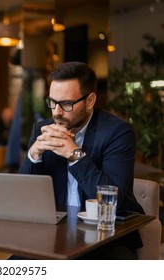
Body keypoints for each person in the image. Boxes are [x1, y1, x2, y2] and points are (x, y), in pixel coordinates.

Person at [19, 61, 144, 259]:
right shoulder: (42, 129)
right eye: (52, 102)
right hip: (55, 231)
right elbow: (24, 195)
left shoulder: (117, 133)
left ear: (90, 101)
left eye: (66, 104)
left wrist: (74, 154)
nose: (56, 112)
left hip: (109, 235)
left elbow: (112, 201)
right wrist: (33, 155)